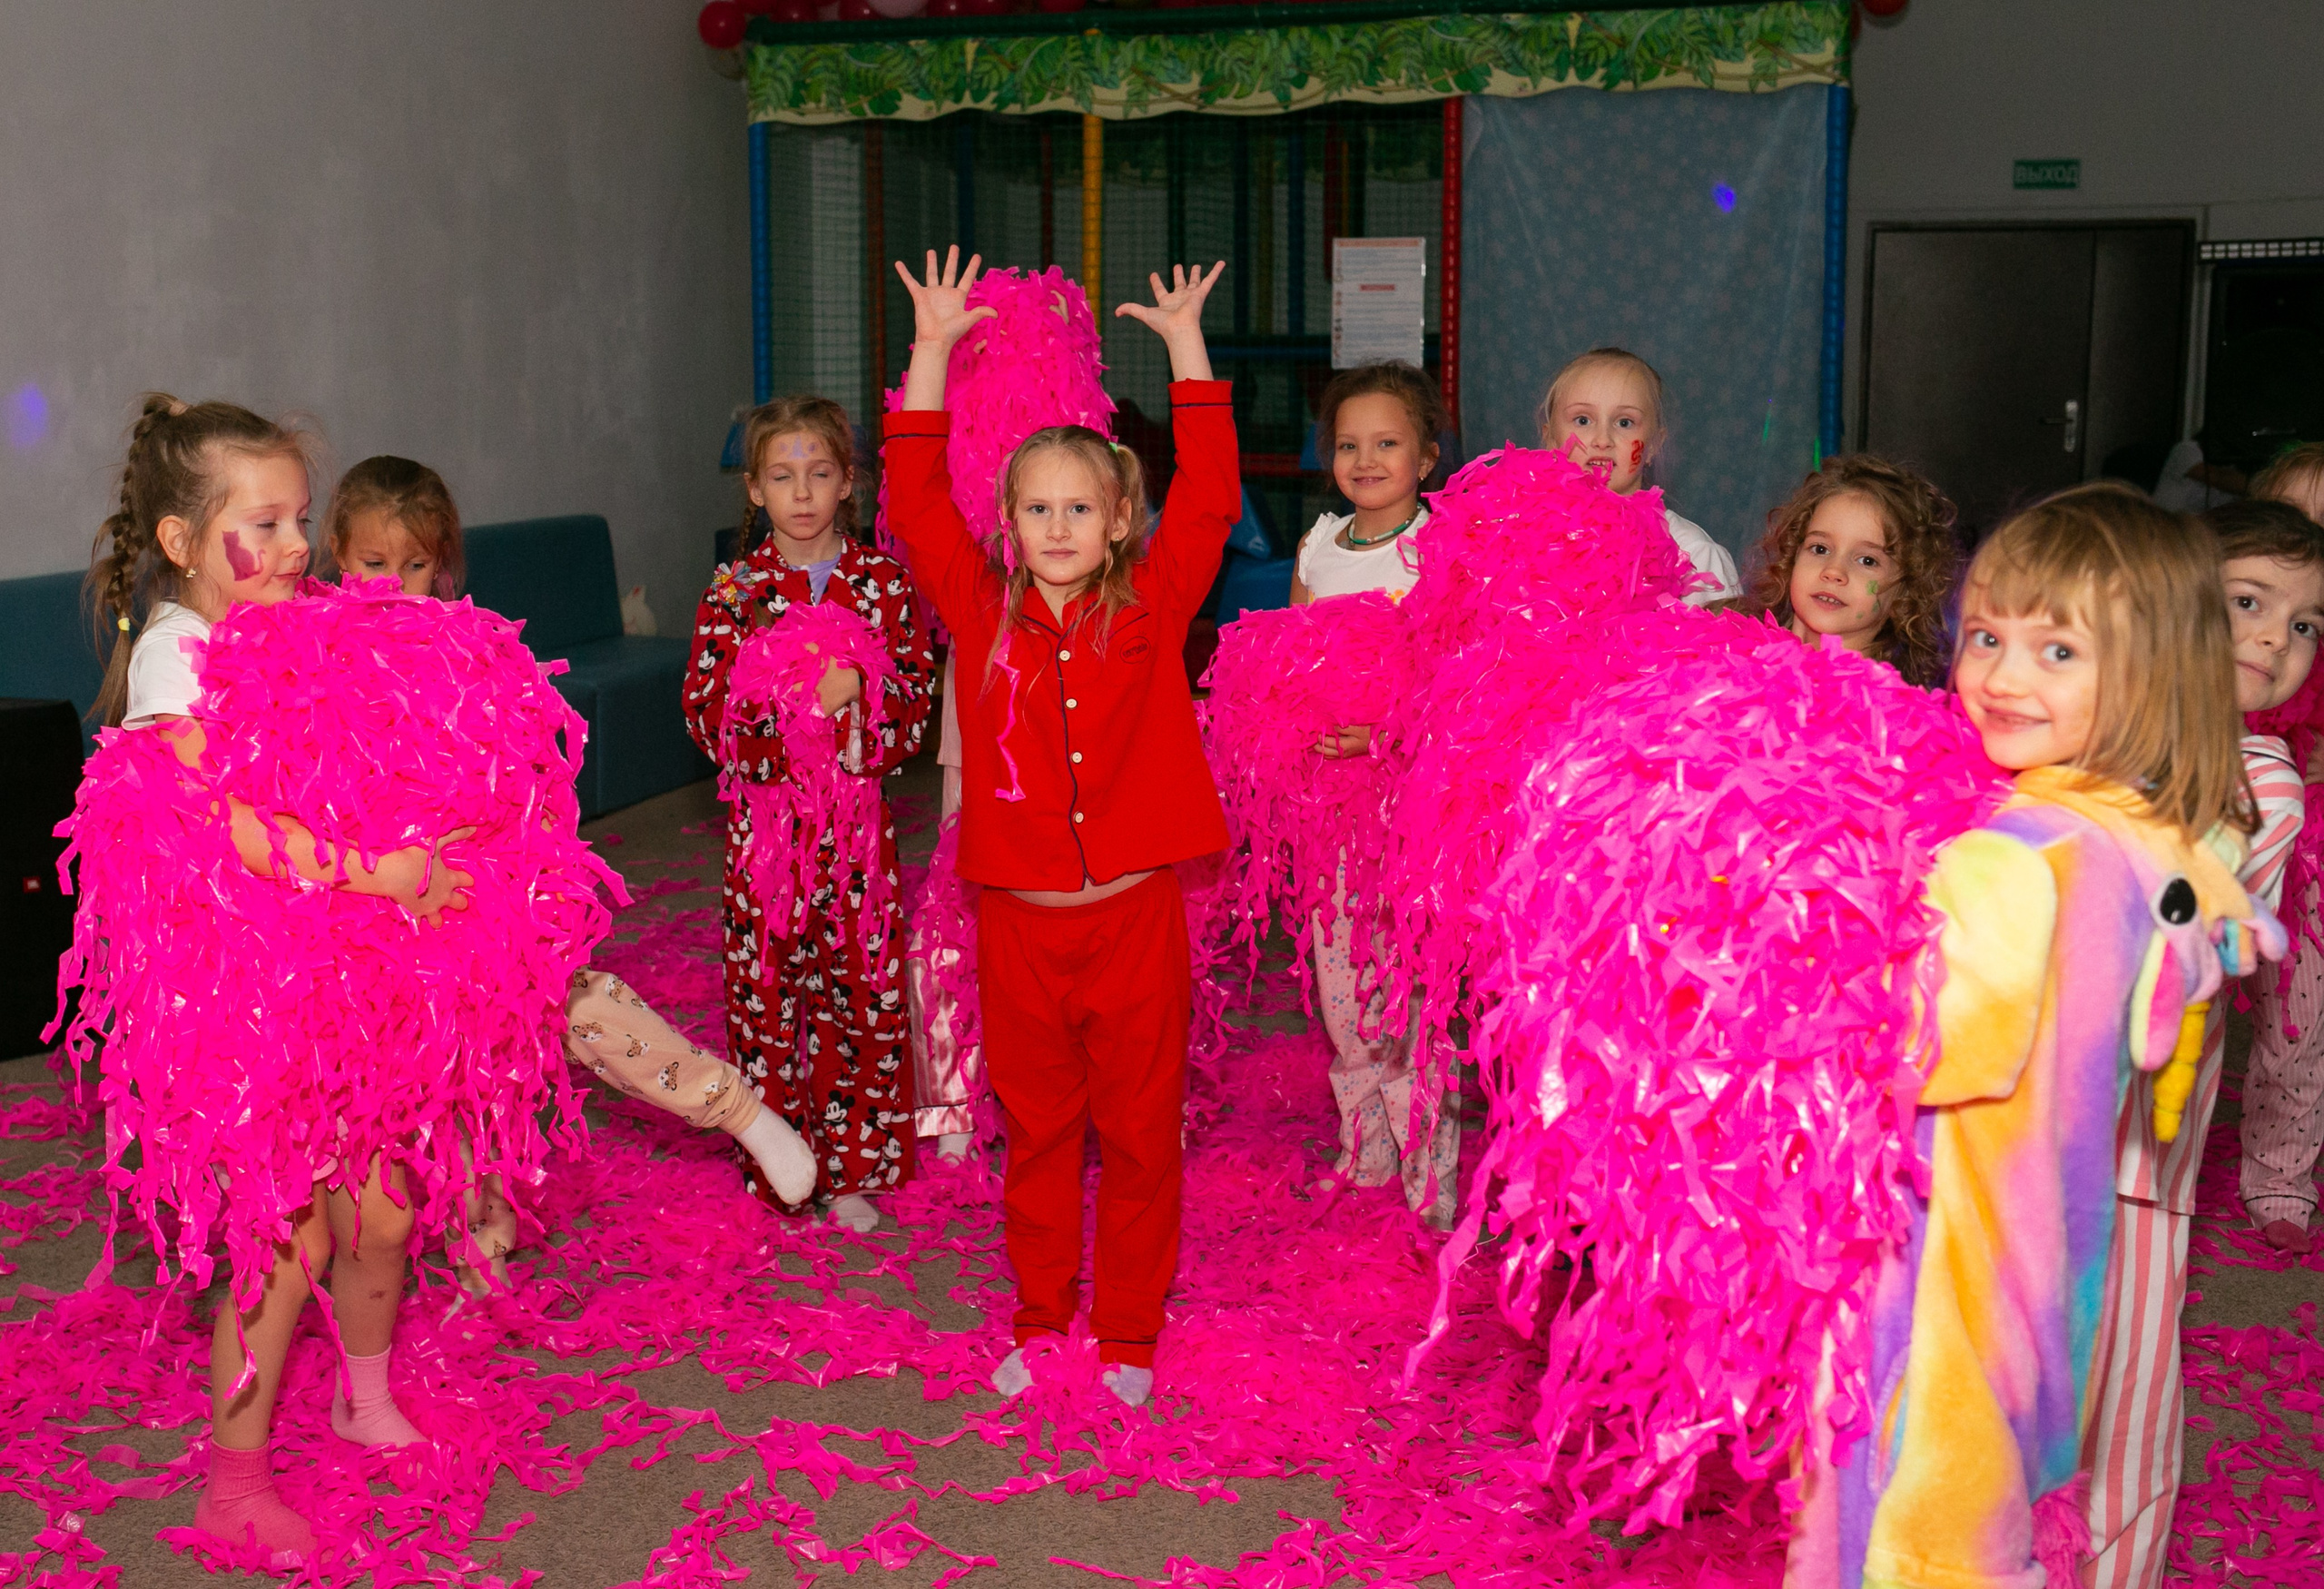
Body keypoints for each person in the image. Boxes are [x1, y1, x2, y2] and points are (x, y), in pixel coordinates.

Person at [1786, 484, 2278, 1589]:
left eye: (2056, 650)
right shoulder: (2159, 833)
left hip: (1941, 1278)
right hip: (2051, 1266)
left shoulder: (2009, 860)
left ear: (2158, 670)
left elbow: (1910, 1048)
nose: (2001, 675)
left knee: (1907, 1538)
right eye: (1989, 636)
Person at [85, 399, 474, 1565]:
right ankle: (233, 1481)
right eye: (268, 521)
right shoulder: (175, 651)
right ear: (181, 541)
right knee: (283, 1239)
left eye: (302, 516)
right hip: (238, 984)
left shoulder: (284, 621)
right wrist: (385, 870)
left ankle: (361, 1393)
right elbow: (236, 829)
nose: (299, 543)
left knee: (386, 1209)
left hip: (338, 969)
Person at [320, 459, 819, 1288]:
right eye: (376, 565)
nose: (397, 587)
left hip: (479, 897)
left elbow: (527, 779)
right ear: (338, 553)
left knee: (583, 1009)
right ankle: (481, 1233)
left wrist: (521, 877)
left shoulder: (472, 651)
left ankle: (737, 1109)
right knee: (442, 1084)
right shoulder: (321, 657)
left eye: (416, 566)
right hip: (377, 916)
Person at [883, 246, 1235, 1408]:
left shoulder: (1153, 602)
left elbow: (1214, 497)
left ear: (1120, 516)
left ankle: (1128, 1332)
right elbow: (912, 502)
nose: (1059, 524)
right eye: (1037, 509)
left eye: (1081, 506)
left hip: (1132, 922)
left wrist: (1186, 352)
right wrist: (931, 352)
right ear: (1010, 523)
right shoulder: (978, 608)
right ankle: (1041, 1320)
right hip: (1019, 932)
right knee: (1036, 1140)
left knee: (1139, 1139)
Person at [2079, 495, 2322, 1587]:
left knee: (2124, 1395)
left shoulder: (2261, 780)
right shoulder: (2081, 727)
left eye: (2308, 623)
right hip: (1997, 1143)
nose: (2277, 638)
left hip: (2138, 1155)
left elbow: (2188, 928)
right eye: (2249, 604)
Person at [684, 397, 934, 1235]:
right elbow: (701, 712)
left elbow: (914, 699)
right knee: (768, 996)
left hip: (858, 837)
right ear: (754, 490)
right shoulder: (735, 591)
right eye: (782, 477)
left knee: (858, 993)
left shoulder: (883, 583)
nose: (801, 493)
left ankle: (854, 1167)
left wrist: (860, 692)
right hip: (766, 839)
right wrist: (786, 708)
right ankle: (779, 1164)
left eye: (819, 474)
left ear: (847, 483)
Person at [1285, 360, 1457, 1224]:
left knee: (1410, 989)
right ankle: (1366, 1151)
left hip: (1410, 801)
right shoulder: (1319, 544)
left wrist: (1385, 737)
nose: (1365, 459)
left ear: (1426, 456)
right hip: (1328, 808)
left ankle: (1431, 1168)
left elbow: (1458, 677)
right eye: (1348, 444)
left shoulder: (1440, 548)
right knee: (1339, 987)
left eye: (1387, 442)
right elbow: (1287, 663)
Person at [2238, 444, 2324, 1257]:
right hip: (2259, 845)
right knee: (2288, 1018)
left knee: (2306, 1021)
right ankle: (2277, 1175)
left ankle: (2285, 1166)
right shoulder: (2246, 653)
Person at [1535, 347, 1738, 603]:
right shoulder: (1518, 541)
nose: (1602, 440)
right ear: (1550, 439)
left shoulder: (1694, 556)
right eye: (1583, 420)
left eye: (1624, 423)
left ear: (1653, 444)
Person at [1742, 454, 1959, 687]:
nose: (1834, 571)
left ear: (1906, 592)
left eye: (1867, 561)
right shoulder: (1728, 652)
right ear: (1792, 557)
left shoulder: (1893, 717)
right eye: (1820, 548)